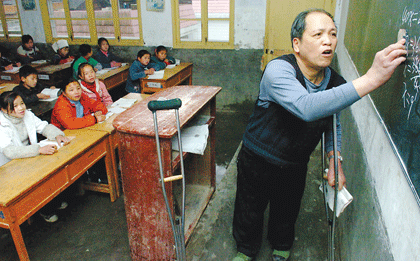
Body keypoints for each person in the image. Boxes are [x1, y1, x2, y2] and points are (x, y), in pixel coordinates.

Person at [232, 9, 407, 261]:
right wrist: (371, 79)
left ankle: (281, 245)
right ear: (297, 44)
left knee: (287, 208)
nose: (328, 41)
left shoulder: (335, 82)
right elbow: (306, 107)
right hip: (259, 155)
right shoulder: (278, 70)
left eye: (333, 34)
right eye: (318, 34)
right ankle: (246, 250)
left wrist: (334, 161)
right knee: (249, 207)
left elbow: (331, 123)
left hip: (295, 161)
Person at [0, 91, 71, 222]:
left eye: (22, 103)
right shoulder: (1, 123)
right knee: (36, 176)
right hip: (7, 165)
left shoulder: (27, 114)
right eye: (15, 106)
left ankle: (52, 201)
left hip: (26, 155)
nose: (21, 108)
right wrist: (38, 149)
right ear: (4, 109)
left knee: (49, 167)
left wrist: (57, 135)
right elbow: (9, 152)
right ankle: (44, 210)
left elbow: (43, 127)